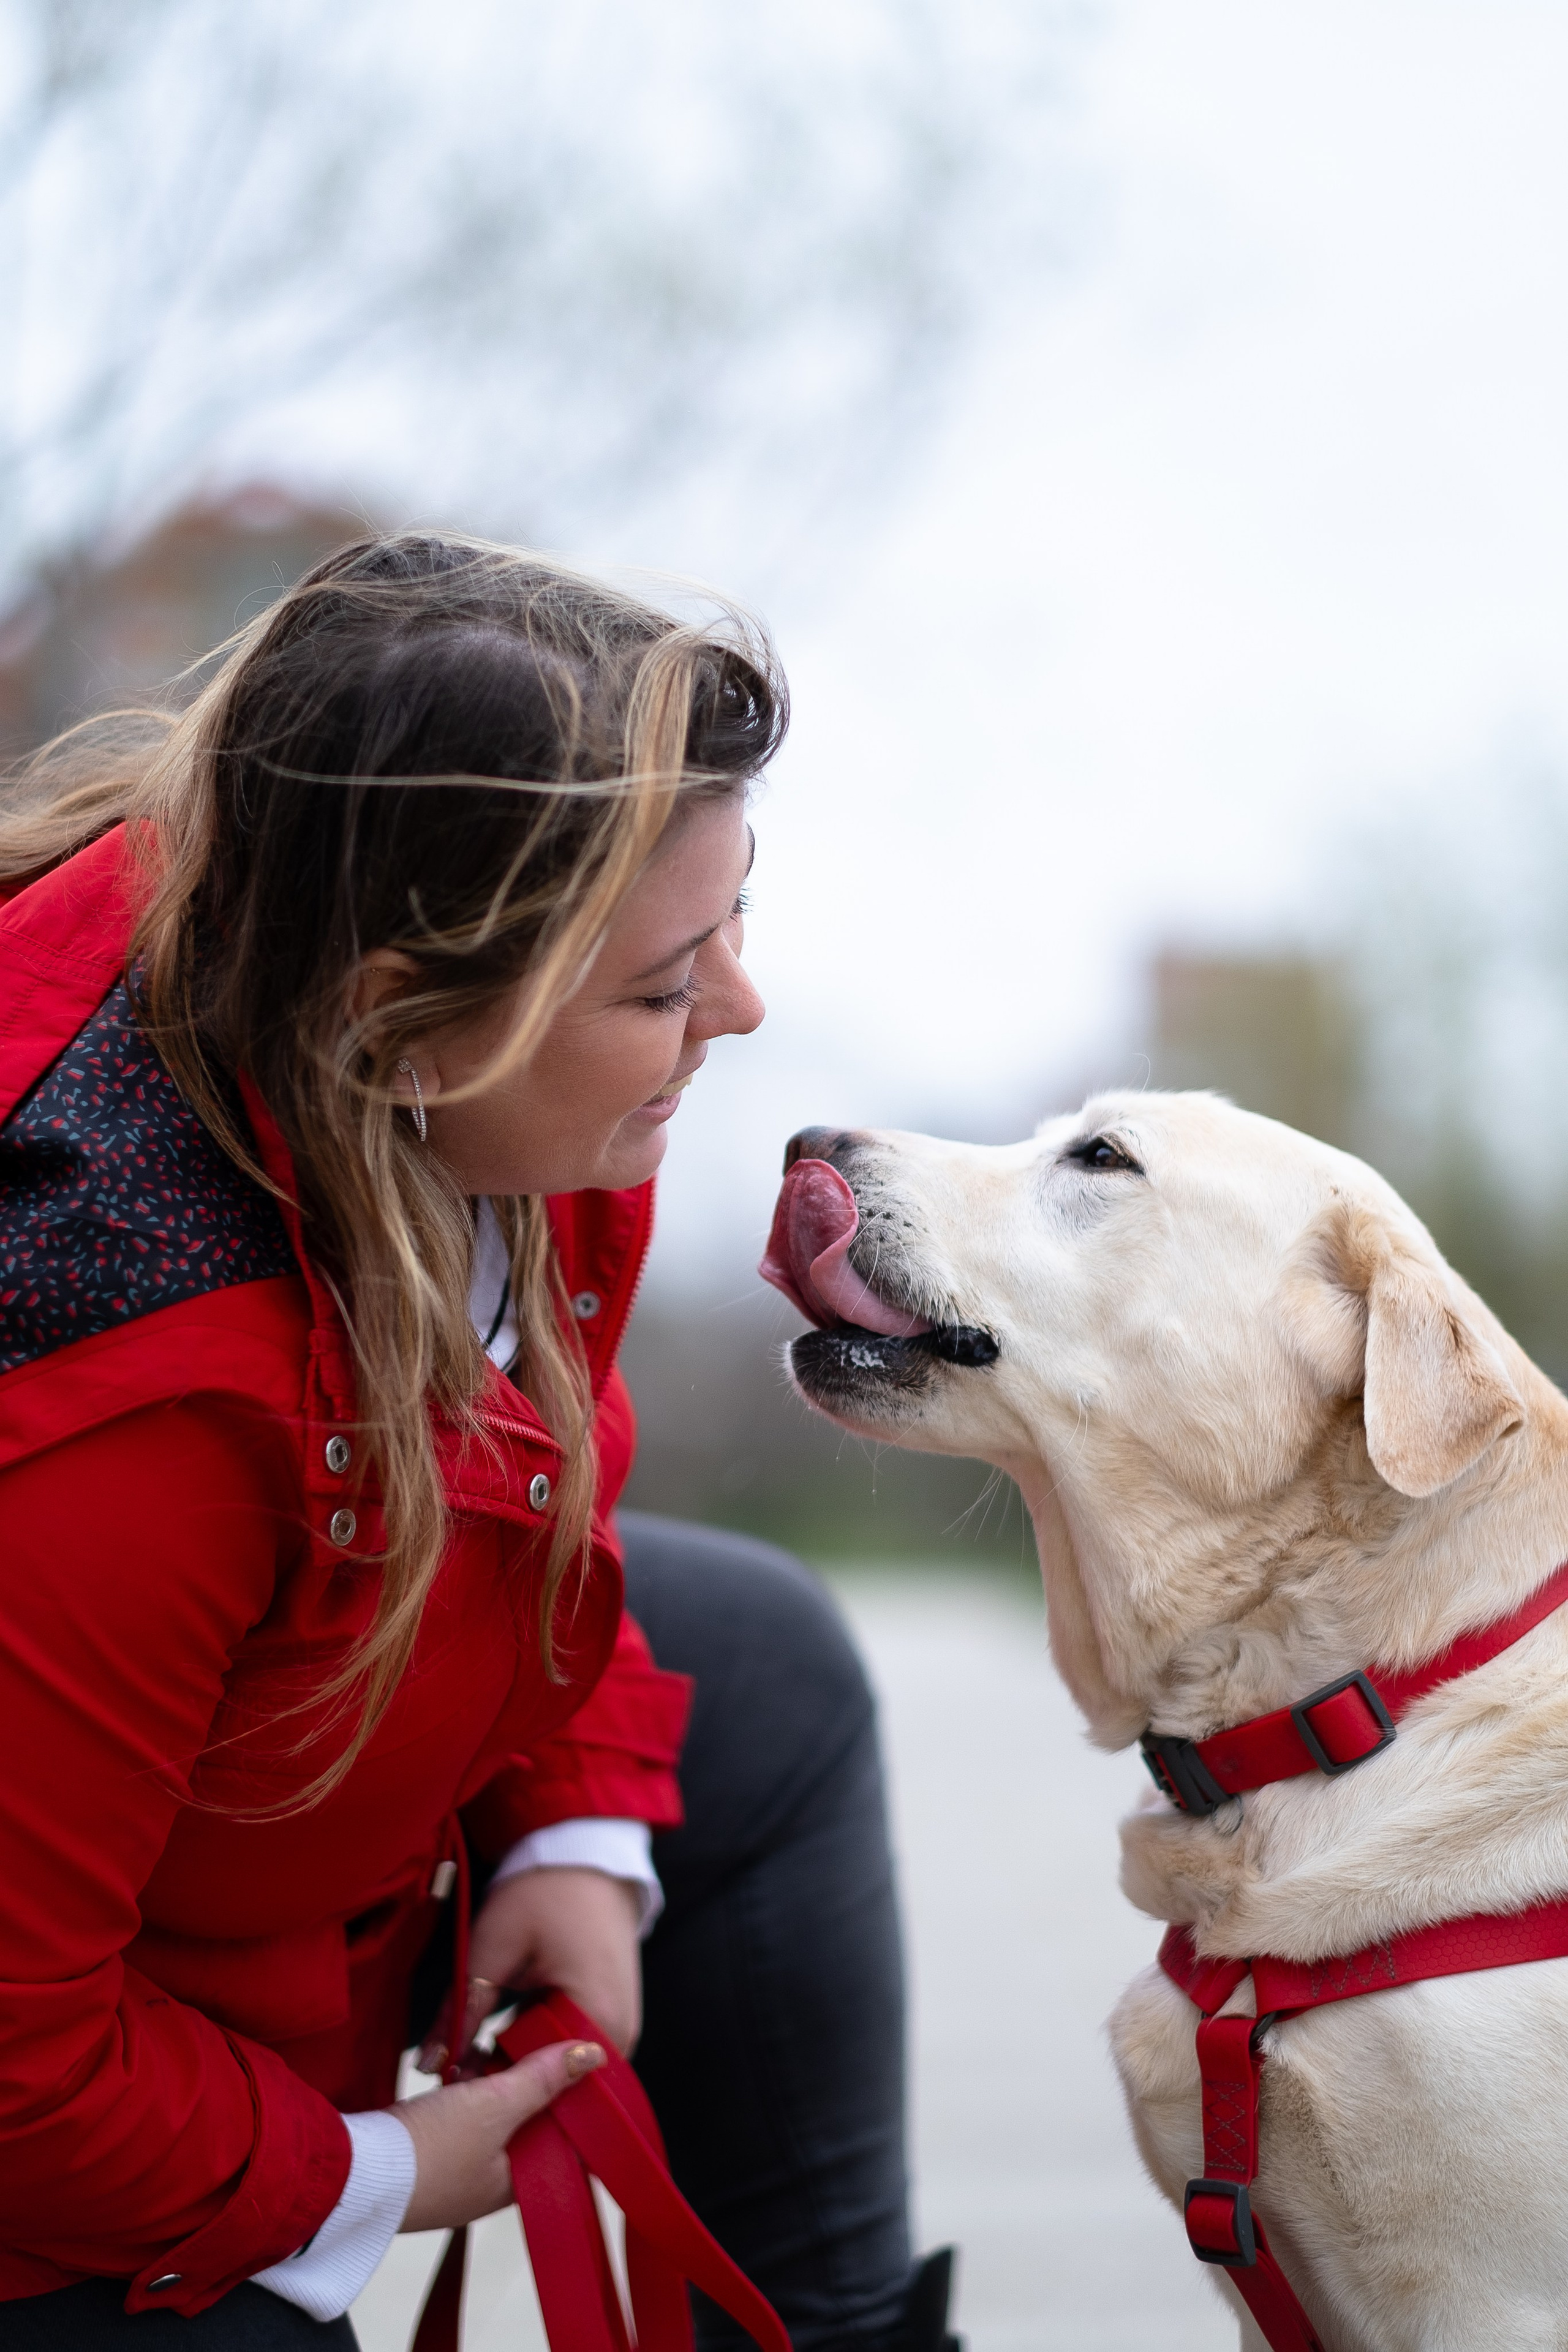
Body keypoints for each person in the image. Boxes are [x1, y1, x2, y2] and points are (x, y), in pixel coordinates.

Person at [0, 535, 960, 2351]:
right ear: (398, 1033)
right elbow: (16, 2054)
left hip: (272, 1837)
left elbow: (552, 1465)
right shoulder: (124, 1415)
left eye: (729, 926)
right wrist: (372, 2174)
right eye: (667, 989)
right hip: (56, 2141)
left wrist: (572, 1825)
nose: (737, 1015)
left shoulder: (503, 1107)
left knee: (763, 1660)